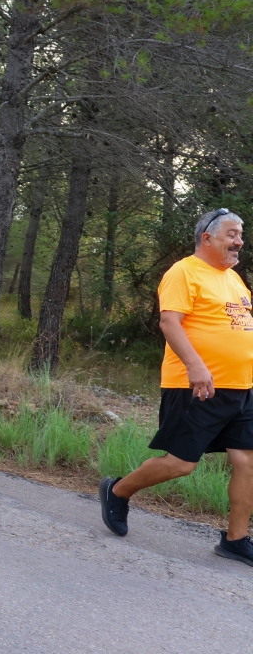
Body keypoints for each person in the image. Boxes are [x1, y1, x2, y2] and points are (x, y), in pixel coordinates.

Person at [100, 209, 253, 565]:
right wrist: (196, 366)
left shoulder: (233, 279)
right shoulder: (184, 272)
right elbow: (170, 322)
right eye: (232, 234)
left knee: (246, 461)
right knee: (182, 463)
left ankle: (236, 539)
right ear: (207, 238)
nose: (239, 242)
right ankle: (118, 491)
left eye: (240, 234)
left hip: (243, 388)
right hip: (200, 386)